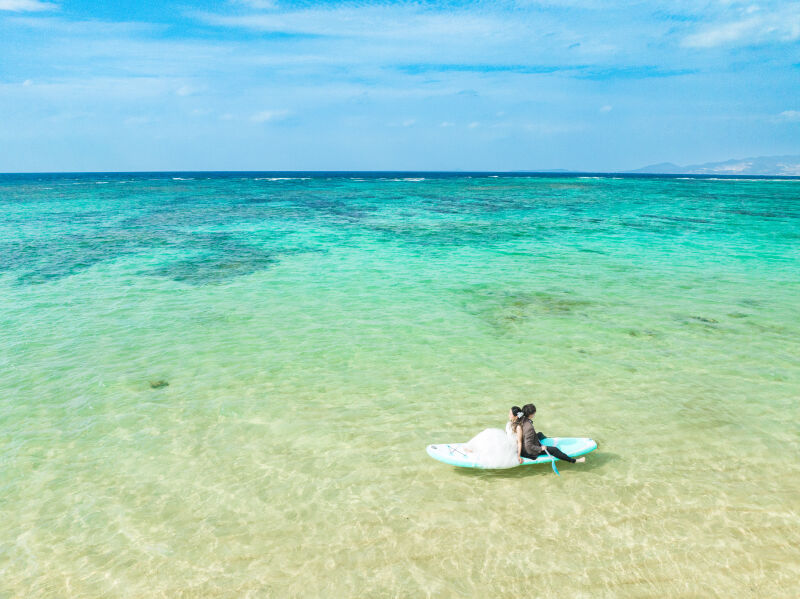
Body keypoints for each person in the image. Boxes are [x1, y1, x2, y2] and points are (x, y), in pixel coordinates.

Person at [519, 403, 585, 464]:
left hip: (524, 442)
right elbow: (528, 445)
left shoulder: (521, 419)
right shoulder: (529, 427)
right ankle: (574, 461)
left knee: (540, 434)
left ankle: (548, 439)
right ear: (531, 414)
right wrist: (540, 448)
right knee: (554, 450)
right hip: (528, 451)